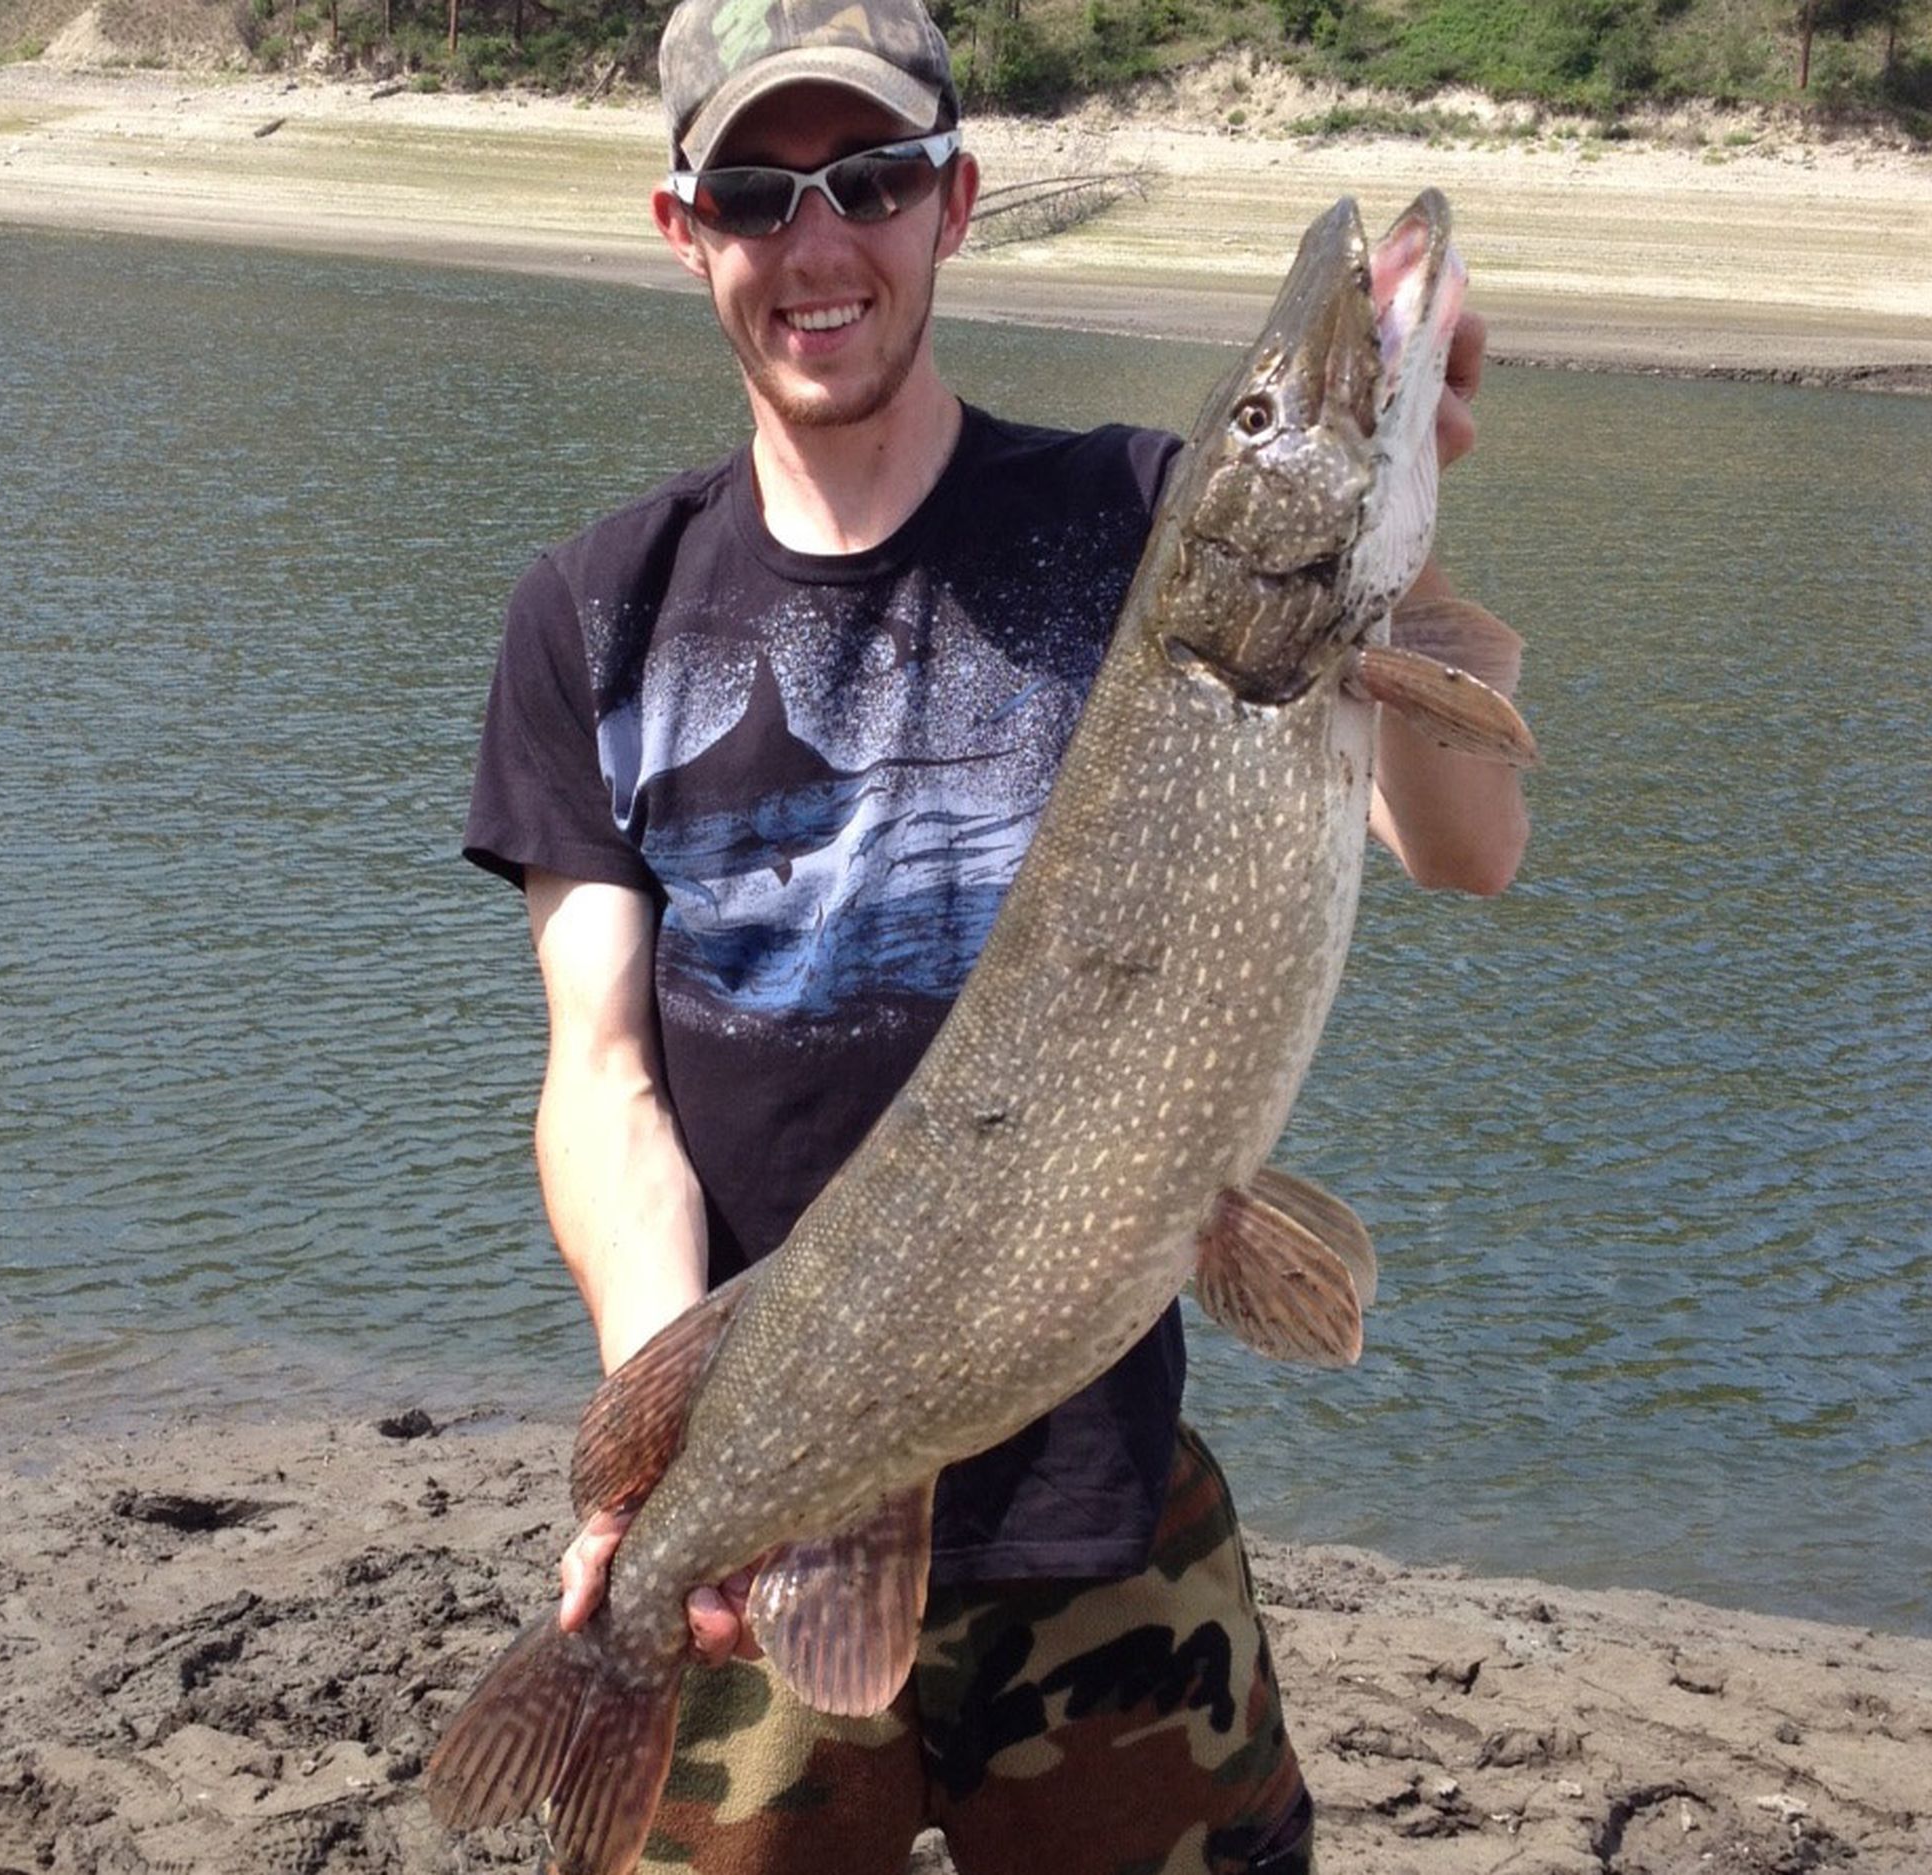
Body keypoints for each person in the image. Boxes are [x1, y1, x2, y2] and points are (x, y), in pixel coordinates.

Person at [460, 1, 1528, 1868]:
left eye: (868, 182)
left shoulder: (1140, 523)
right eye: (758, 193)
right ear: (682, 226)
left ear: (952, 206)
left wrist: (1403, 546)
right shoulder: (595, 610)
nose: (817, 245)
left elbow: (1470, 849)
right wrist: (674, 1447)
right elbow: (603, 1078)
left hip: (1103, 1496)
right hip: (785, 1476)